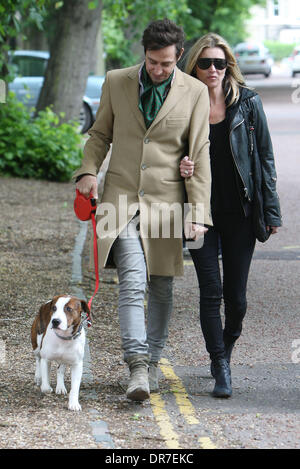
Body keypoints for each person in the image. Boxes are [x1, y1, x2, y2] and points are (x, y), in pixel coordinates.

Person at [74, 19, 212, 401]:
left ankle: (152, 361)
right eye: (153, 62)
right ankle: (136, 365)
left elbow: (199, 152)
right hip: (120, 199)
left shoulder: (196, 92)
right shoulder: (117, 81)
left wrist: (198, 212)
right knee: (133, 280)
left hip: (167, 203)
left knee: (163, 285)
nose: (158, 70)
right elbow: (100, 134)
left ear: (178, 55)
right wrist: (87, 171)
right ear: (145, 54)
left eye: (166, 64)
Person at [180, 33, 282, 398]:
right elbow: (163, 150)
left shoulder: (249, 103)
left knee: (236, 298)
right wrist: (181, 164)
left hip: (240, 211)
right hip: (195, 212)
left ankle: (227, 343)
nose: (212, 69)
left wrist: (270, 209)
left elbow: (266, 159)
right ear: (194, 65)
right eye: (205, 62)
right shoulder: (181, 103)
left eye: (219, 63)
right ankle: (220, 363)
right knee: (210, 292)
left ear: (229, 66)